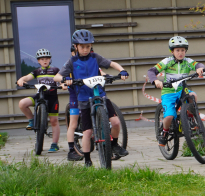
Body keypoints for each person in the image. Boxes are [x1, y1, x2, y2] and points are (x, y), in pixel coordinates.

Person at [55, 29, 129, 167]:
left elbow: (111, 63)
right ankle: (88, 159)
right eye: (82, 47)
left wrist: (122, 70)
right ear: (76, 46)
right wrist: (65, 79)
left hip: (100, 95)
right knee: (87, 132)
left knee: (116, 122)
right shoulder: (72, 61)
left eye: (88, 46)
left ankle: (114, 144)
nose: (85, 49)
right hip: (84, 98)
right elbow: (56, 77)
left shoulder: (95, 57)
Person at [147, 36, 205, 147]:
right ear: (172, 51)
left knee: (193, 95)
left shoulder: (187, 61)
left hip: (182, 89)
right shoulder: (167, 61)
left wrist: (199, 68)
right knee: (169, 116)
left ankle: (190, 118)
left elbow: (198, 64)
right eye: (177, 50)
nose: (180, 53)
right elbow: (151, 71)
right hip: (168, 92)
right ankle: (164, 133)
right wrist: (155, 81)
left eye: (183, 50)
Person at [16, 49, 61, 153]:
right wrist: (21, 80)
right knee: (22, 103)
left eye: (46, 59)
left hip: (52, 98)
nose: (44, 61)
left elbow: (60, 78)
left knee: (54, 121)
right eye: (42, 59)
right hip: (39, 96)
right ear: (38, 61)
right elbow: (27, 77)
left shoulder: (55, 70)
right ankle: (32, 121)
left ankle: (54, 144)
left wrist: (63, 84)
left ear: (50, 59)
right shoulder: (37, 71)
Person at [64, 45, 82, 161]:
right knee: (73, 123)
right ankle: (71, 150)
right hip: (75, 94)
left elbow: (100, 71)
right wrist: (64, 83)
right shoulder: (69, 64)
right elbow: (61, 76)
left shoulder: (89, 62)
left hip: (87, 93)